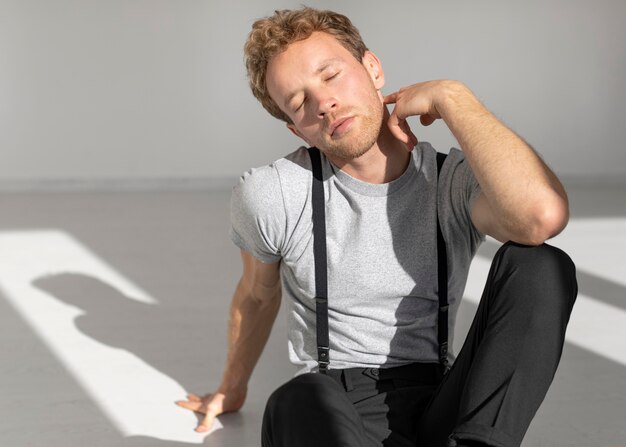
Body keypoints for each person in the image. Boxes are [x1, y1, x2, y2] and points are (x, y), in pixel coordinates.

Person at [176, 7, 578, 447]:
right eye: (299, 102)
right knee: (295, 397)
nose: (323, 103)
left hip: (442, 404)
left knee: (542, 265)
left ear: (372, 67)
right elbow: (257, 294)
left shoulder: (449, 182)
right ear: (296, 129)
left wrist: (453, 98)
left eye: (331, 75)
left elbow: (541, 217)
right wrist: (232, 388)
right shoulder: (273, 193)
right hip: (338, 409)